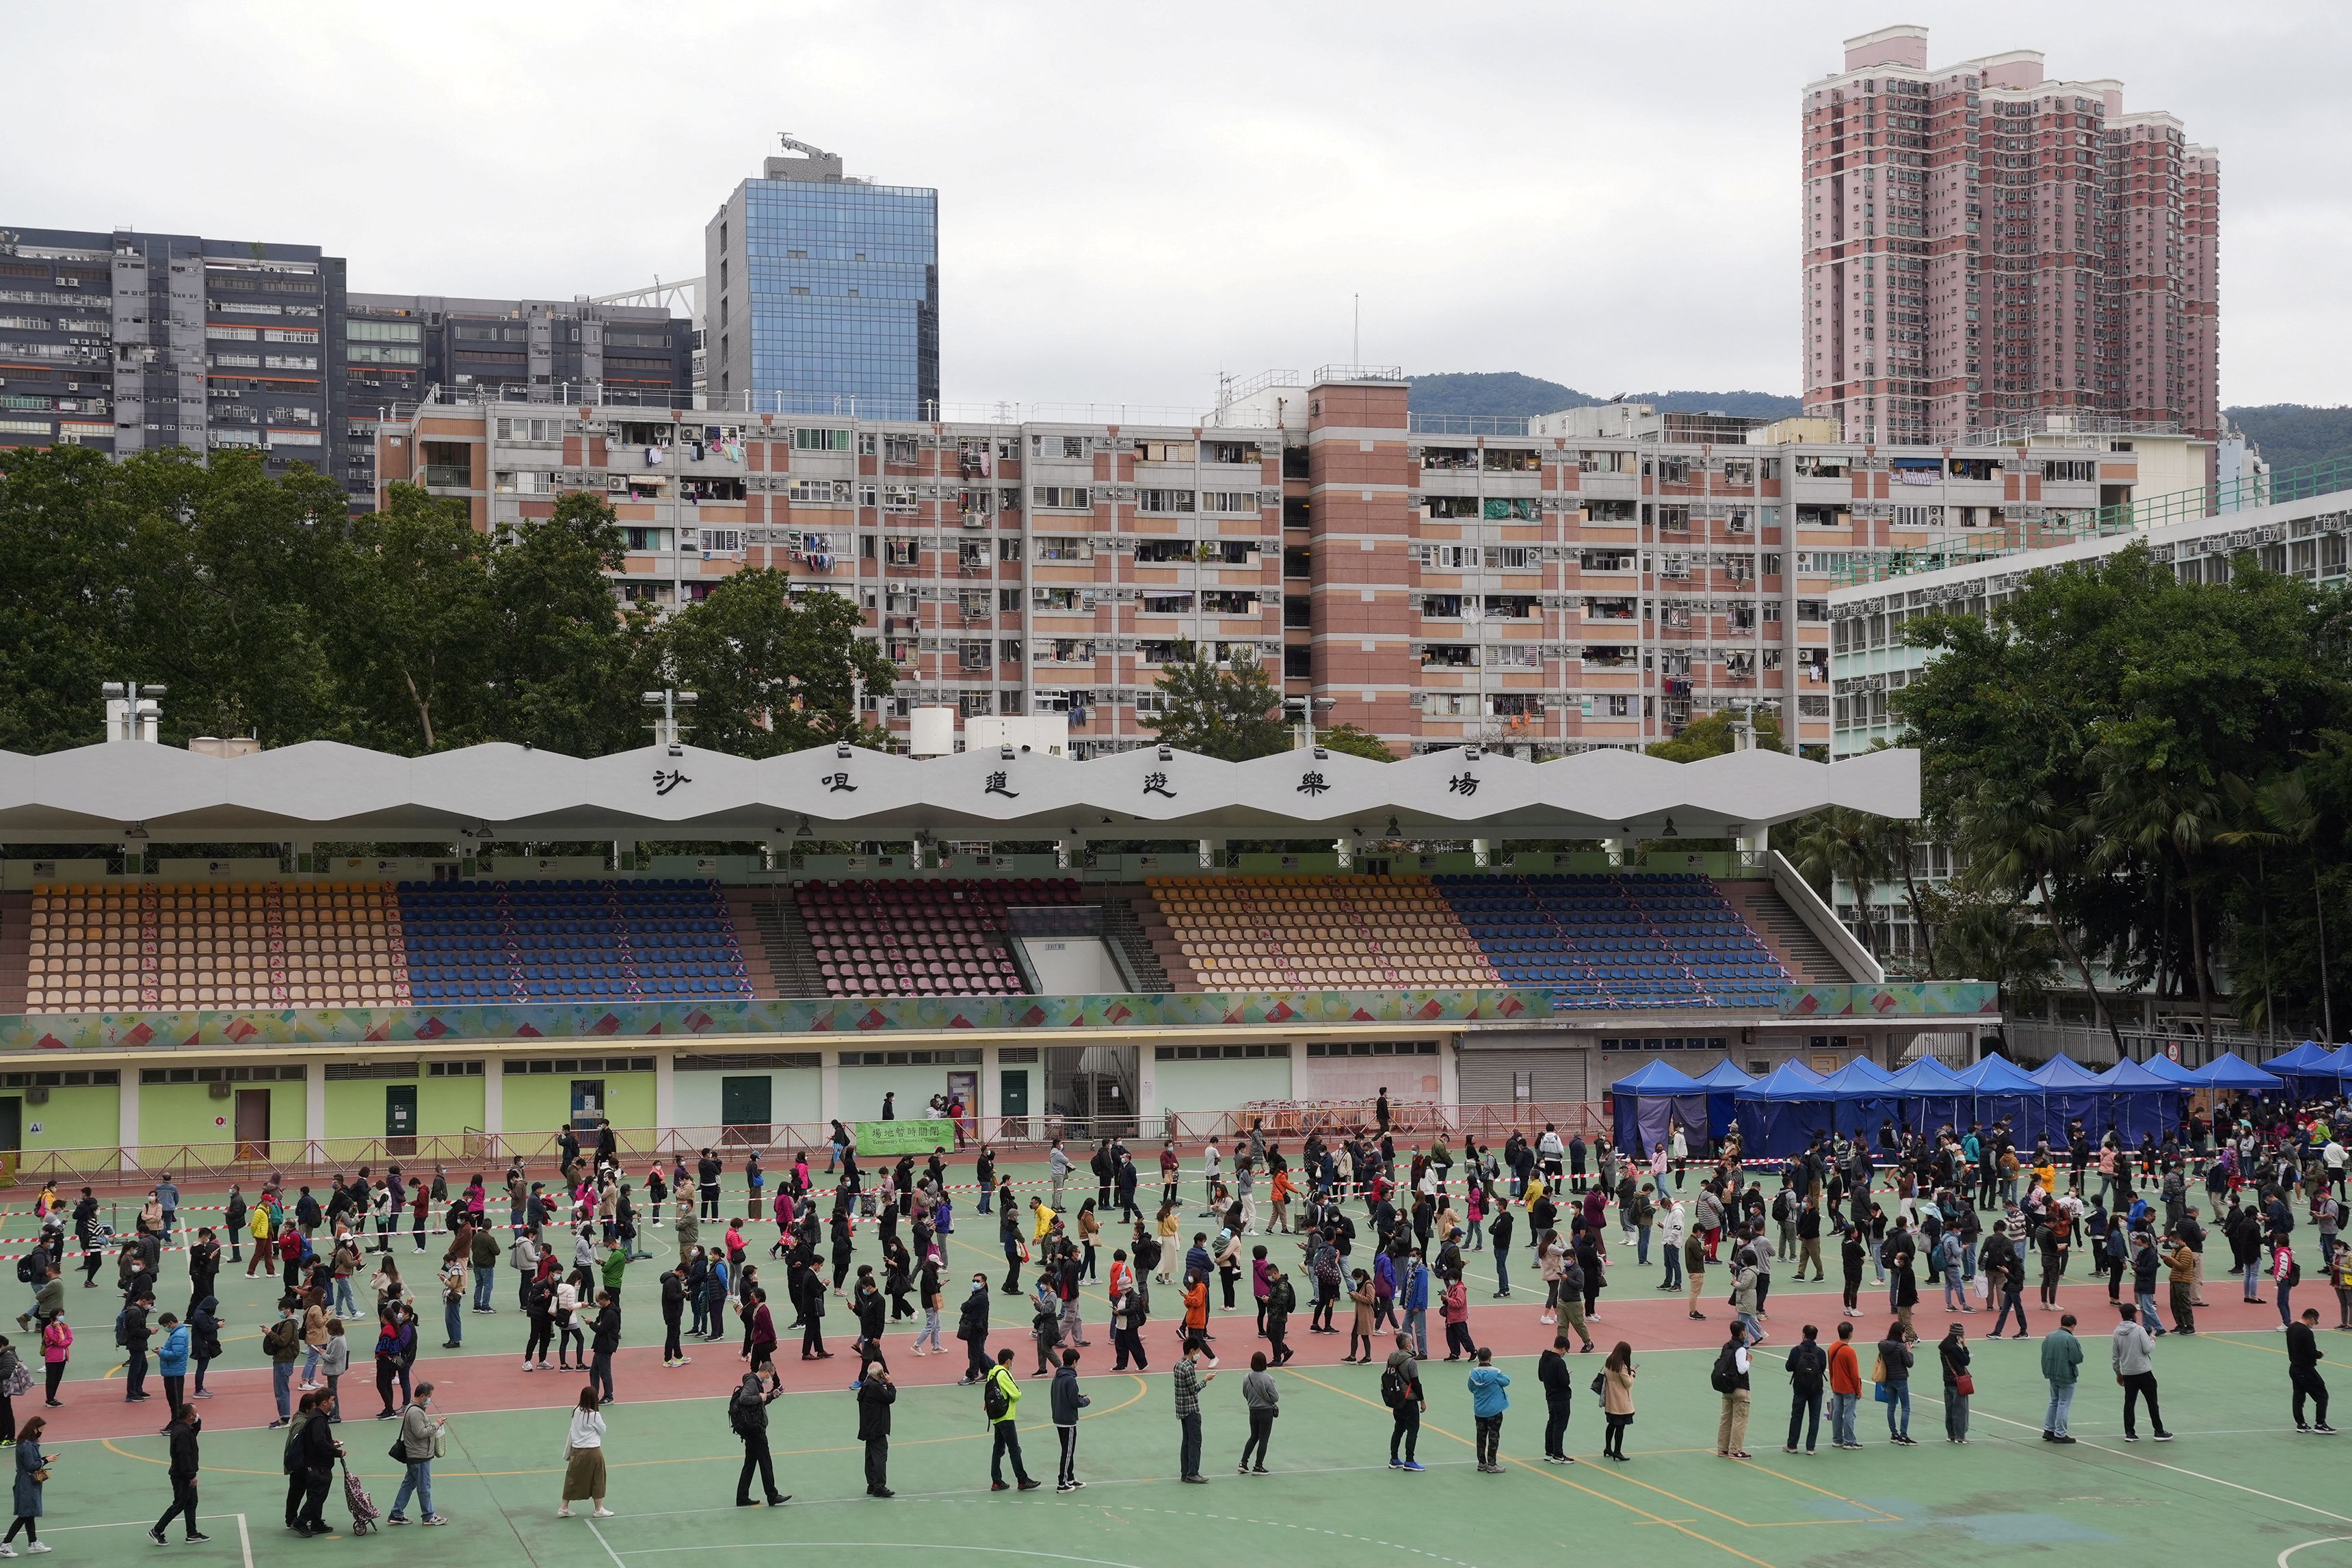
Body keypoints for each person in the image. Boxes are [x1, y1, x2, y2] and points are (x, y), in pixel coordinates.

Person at [386, 1381, 451, 1526]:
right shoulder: (415, 1412)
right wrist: (436, 1424)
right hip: (419, 1455)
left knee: (408, 1485)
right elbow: (420, 1433)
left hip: (416, 1454)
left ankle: (396, 1513)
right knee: (424, 1487)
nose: (429, 1400)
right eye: (429, 1397)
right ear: (422, 1396)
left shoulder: (414, 1409)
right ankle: (428, 1516)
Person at [147, 1404, 207, 1545]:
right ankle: (157, 1530)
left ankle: (192, 1533)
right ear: (190, 1416)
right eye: (196, 1413)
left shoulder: (185, 1429)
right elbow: (184, 1456)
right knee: (180, 1504)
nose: (198, 1414)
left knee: (192, 1503)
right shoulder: (182, 1433)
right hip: (182, 1476)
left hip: (185, 1474)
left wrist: (198, 1421)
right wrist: (191, 1475)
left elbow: (195, 1432)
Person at [2111, 1301, 2171, 1441]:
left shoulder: (2117, 1332)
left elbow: (2115, 1356)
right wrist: (2153, 1340)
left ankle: (2130, 1433)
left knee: (2129, 1402)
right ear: (2134, 1315)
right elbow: (2147, 1349)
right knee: (2152, 1402)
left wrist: (2118, 1372)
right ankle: (2159, 1431)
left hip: (2128, 1372)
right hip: (2143, 1372)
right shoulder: (2139, 1330)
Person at [728, 1371, 788, 1507]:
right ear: (766, 1372)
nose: (770, 1378)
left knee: (750, 1463)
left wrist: (771, 1396)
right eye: (771, 1375)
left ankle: (742, 1496)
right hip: (755, 1430)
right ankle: (772, 1495)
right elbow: (745, 1399)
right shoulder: (752, 1383)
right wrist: (762, 1398)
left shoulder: (753, 1382)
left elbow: (756, 1405)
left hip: (751, 1429)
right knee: (765, 1462)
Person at [985, 1348, 1041, 1491]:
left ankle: (996, 1481)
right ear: (1008, 1361)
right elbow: (1016, 1394)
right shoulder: (1004, 1374)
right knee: (1014, 1449)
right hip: (1006, 1417)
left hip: (996, 1418)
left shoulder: (992, 1374)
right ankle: (1022, 1480)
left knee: (998, 1450)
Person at [292, 1390, 344, 1537]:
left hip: (317, 1464)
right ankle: (301, 1521)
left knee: (317, 1493)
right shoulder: (319, 1419)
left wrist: (330, 1442)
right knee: (318, 1495)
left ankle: (316, 1522)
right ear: (325, 1402)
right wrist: (337, 1452)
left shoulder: (318, 1417)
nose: (334, 1403)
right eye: (332, 1400)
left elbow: (319, 1439)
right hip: (317, 1466)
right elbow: (319, 1441)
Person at [557, 1385, 609, 1519]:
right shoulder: (595, 1415)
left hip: (577, 1451)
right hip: (592, 1451)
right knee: (598, 1478)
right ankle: (599, 1509)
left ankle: (564, 1507)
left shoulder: (575, 1411)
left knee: (572, 1478)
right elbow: (603, 1430)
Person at [0, 1413, 46, 1556]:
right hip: (26, 1484)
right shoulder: (27, 1446)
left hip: (26, 1482)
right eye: (41, 1429)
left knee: (29, 1514)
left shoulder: (26, 1443)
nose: (42, 1432)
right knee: (24, 1515)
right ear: (34, 1429)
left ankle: (33, 1543)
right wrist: (46, 1460)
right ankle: (5, 1544)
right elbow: (31, 1465)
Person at [1173, 1334, 1215, 1483]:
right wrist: (1205, 1380)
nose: (1198, 1354)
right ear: (1192, 1351)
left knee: (1186, 1441)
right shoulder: (1188, 1368)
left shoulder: (1178, 1365)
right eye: (1197, 1351)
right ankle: (1193, 1472)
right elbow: (1194, 1389)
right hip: (1191, 1410)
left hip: (1182, 1409)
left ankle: (1185, 1472)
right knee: (1195, 1441)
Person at [2289, 1307, 2336, 1434]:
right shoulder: (2306, 1332)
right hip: (2305, 1369)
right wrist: (2319, 1354)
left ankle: (2301, 1424)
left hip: (2294, 1368)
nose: (2314, 1325)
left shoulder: (2292, 1328)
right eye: (2314, 1322)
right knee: (2322, 1395)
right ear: (2311, 1318)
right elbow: (2311, 1352)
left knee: (2299, 1396)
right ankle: (2320, 1424)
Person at [1712, 1321, 1754, 1459]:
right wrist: (1749, 1361)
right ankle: (1736, 1450)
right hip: (1740, 1389)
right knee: (1739, 1420)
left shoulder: (1727, 1346)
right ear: (1742, 1333)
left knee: (1726, 1418)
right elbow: (1742, 1369)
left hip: (1727, 1387)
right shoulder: (1741, 1349)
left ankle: (1723, 1449)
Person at [1783, 1322, 1825, 1454]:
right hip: (1816, 1388)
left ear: (1803, 1335)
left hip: (1800, 1388)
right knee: (1815, 1417)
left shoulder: (1796, 1350)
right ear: (1815, 1337)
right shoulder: (1821, 1352)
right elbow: (1822, 1368)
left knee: (1796, 1416)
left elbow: (1788, 1367)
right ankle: (1811, 1448)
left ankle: (1792, 1445)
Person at [1051, 1347, 1091, 1490]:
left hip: (1058, 1417)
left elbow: (1060, 1396)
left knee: (1068, 1450)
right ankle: (1062, 1483)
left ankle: (1070, 1478)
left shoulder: (1058, 1376)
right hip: (1067, 1420)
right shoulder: (1070, 1379)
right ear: (1074, 1362)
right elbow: (1074, 1402)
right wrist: (1086, 1401)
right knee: (1068, 1452)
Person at [1467, 1344, 1511, 1472]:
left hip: (1479, 1410)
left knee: (1480, 1436)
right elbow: (1507, 1381)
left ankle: (1482, 1462)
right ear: (1490, 1358)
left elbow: (1471, 1388)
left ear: (1479, 1358)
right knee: (1493, 1436)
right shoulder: (1496, 1373)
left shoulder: (1473, 1374)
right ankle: (1492, 1464)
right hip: (1494, 1411)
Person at [858, 1362, 897, 1498]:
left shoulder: (866, 1384)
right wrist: (890, 1384)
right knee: (880, 1457)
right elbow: (890, 1398)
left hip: (869, 1427)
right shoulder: (875, 1387)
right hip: (877, 1428)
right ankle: (879, 1486)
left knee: (870, 1457)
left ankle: (872, 1484)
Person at [1537, 1333, 1576, 1463]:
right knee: (1560, 1426)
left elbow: (1541, 1377)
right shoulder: (1559, 1362)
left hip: (1550, 1396)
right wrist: (1566, 1374)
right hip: (1561, 1398)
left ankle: (1549, 1451)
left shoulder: (1543, 1359)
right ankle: (1558, 1455)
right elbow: (1565, 1382)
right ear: (1563, 1349)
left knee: (1552, 1423)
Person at [1875, 1321, 1914, 1445]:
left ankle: (1894, 1434)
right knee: (1906, 1408)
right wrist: (1909, 1351)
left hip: (1888, 1379)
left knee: (1891, 1407)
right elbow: (1909, 1363)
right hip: (1901, 1379)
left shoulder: (1883, 1345)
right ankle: (1903, 1435)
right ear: (1900, 1332)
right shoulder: (1901, 1347)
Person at [1826, 1320, 1864, 1449]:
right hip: (1848, 1388)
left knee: (1837, 1413)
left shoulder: (1832, 1348)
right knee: (1849, 1414)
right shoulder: (1850, 1351)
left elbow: (1830, 1368)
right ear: (1850, 1334)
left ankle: (1837, 1439)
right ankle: (1850, 1441)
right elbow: (1854, 1373)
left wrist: (1832, 1383)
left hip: (1836, 1385)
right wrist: (1858, 1390)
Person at [1599, 1341, 1636, 1462]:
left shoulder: (1609, 1360)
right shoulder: (1622, 1367)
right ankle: (1617, 1451)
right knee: (1620, 1427)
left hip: (1611, 1399)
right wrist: (1633, 1374)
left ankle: (1608, 1448)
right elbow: (1628, 1383)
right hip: (1621, 1401)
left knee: (1611, 1424)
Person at [1938, 1323, 1974, 1444]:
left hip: (1947, 1381)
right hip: (1958, 1383)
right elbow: (1966, 1361)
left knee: (1950, 1410)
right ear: (1958, 1336)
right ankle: (1960, 1436)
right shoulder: (1955, 1348)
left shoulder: (1944, 1346)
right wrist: (1965, 1347)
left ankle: (1951, 1434)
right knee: (1960, 1410)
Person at [155, 1312, 189, 1417]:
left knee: (176, 1402)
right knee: (173, 1401)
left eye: (165, 1326)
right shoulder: (178, 1333)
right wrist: (163, 1349)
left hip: (175, 1372)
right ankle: (175, 1422)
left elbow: (176, 1354)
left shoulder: (178, 1335)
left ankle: (177, 1423)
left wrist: (161, 1352)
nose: (165, 1328)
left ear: (170, 1323)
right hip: (173, 1371)